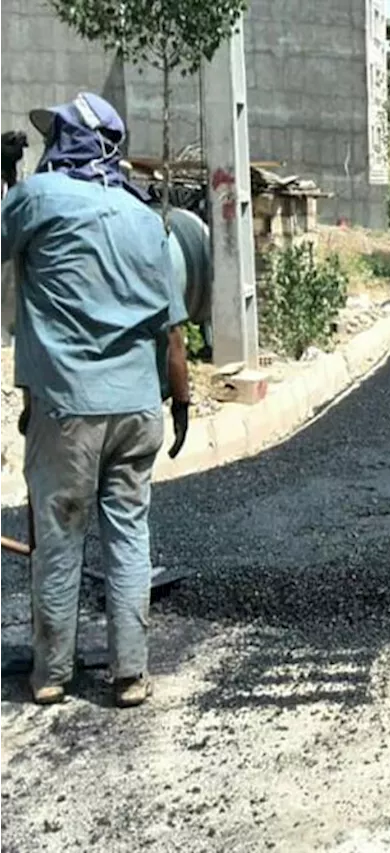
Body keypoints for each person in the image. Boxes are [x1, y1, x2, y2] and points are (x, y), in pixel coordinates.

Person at [0, 93, 191, 708]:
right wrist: (181, 402)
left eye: (56, 136)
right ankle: (130, 674)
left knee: (59, 532)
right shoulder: (144, 219)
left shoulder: (39, 198)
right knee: (129, 533)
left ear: (70, 144)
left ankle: (53, 672)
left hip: (68, 409)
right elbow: (174, 334)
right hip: (137, 410)